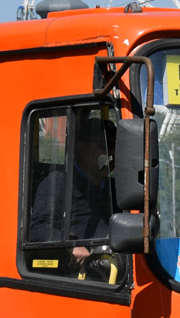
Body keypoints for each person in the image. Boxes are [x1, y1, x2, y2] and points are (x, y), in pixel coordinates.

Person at [28, 114, 115, 275]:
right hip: (75, 275)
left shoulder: (116, 188)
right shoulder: (58, 183)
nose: (112, 153)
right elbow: (37, 230)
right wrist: (72, 244)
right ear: (81, 149)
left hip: (115, 270)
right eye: (104, 146)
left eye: (114, 147)